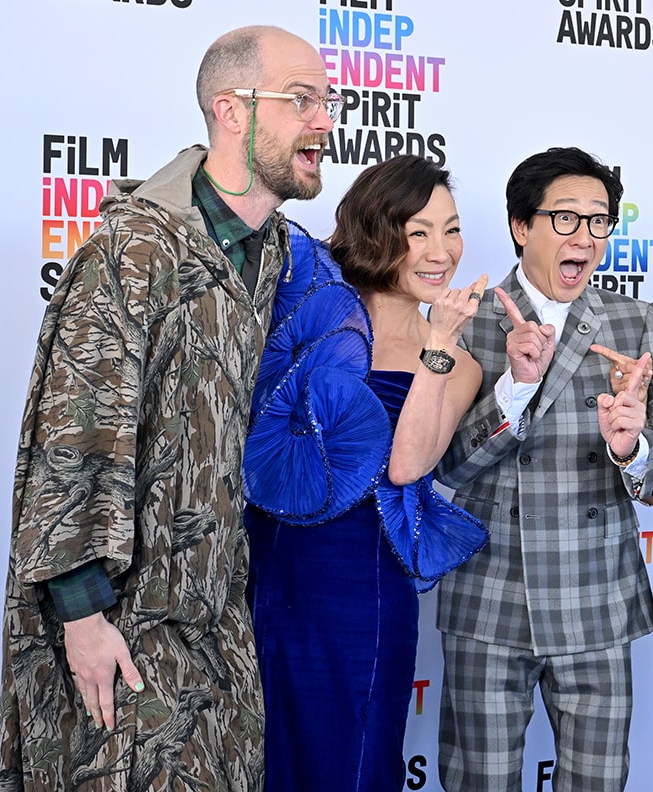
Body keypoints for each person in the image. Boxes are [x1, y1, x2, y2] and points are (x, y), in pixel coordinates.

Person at [0, 25, 336, 791]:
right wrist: (82, 619)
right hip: (122, 630)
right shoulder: (135, 251)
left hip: (218, 630)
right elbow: (74, 434)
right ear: (231, 110)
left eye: (327, 101)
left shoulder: (276, 255)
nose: (324, 121)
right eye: (301, 100)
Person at [433, 146, 653, 790]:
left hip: (597, 600)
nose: (585, 237)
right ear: (521, 227)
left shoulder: (634, 322)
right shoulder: (467, 320)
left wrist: (632, 446)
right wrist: (513, 392)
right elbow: (444, 466)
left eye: (599, 221)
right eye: (565, 219)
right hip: (490, 599)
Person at [241, 155, 490, 790]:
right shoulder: (307, 310)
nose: (442, 251)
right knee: (253, 750)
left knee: (351, 755)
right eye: (420, 231)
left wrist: (437, 350)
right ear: (380, 232)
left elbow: (407, 465)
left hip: (365, 583)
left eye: (452, 229)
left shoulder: (457, 364)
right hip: (264, 563)